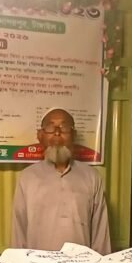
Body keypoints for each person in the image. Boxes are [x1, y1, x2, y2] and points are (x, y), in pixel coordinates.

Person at [11, 108, 111, 254]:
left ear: (74, 135)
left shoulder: (91, 176)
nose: (57, 133)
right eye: (50, 128)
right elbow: (18, 231)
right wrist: (18, 262)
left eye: (64, 128)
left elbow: (100, 232)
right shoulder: (27, 177)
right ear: (40, 135)